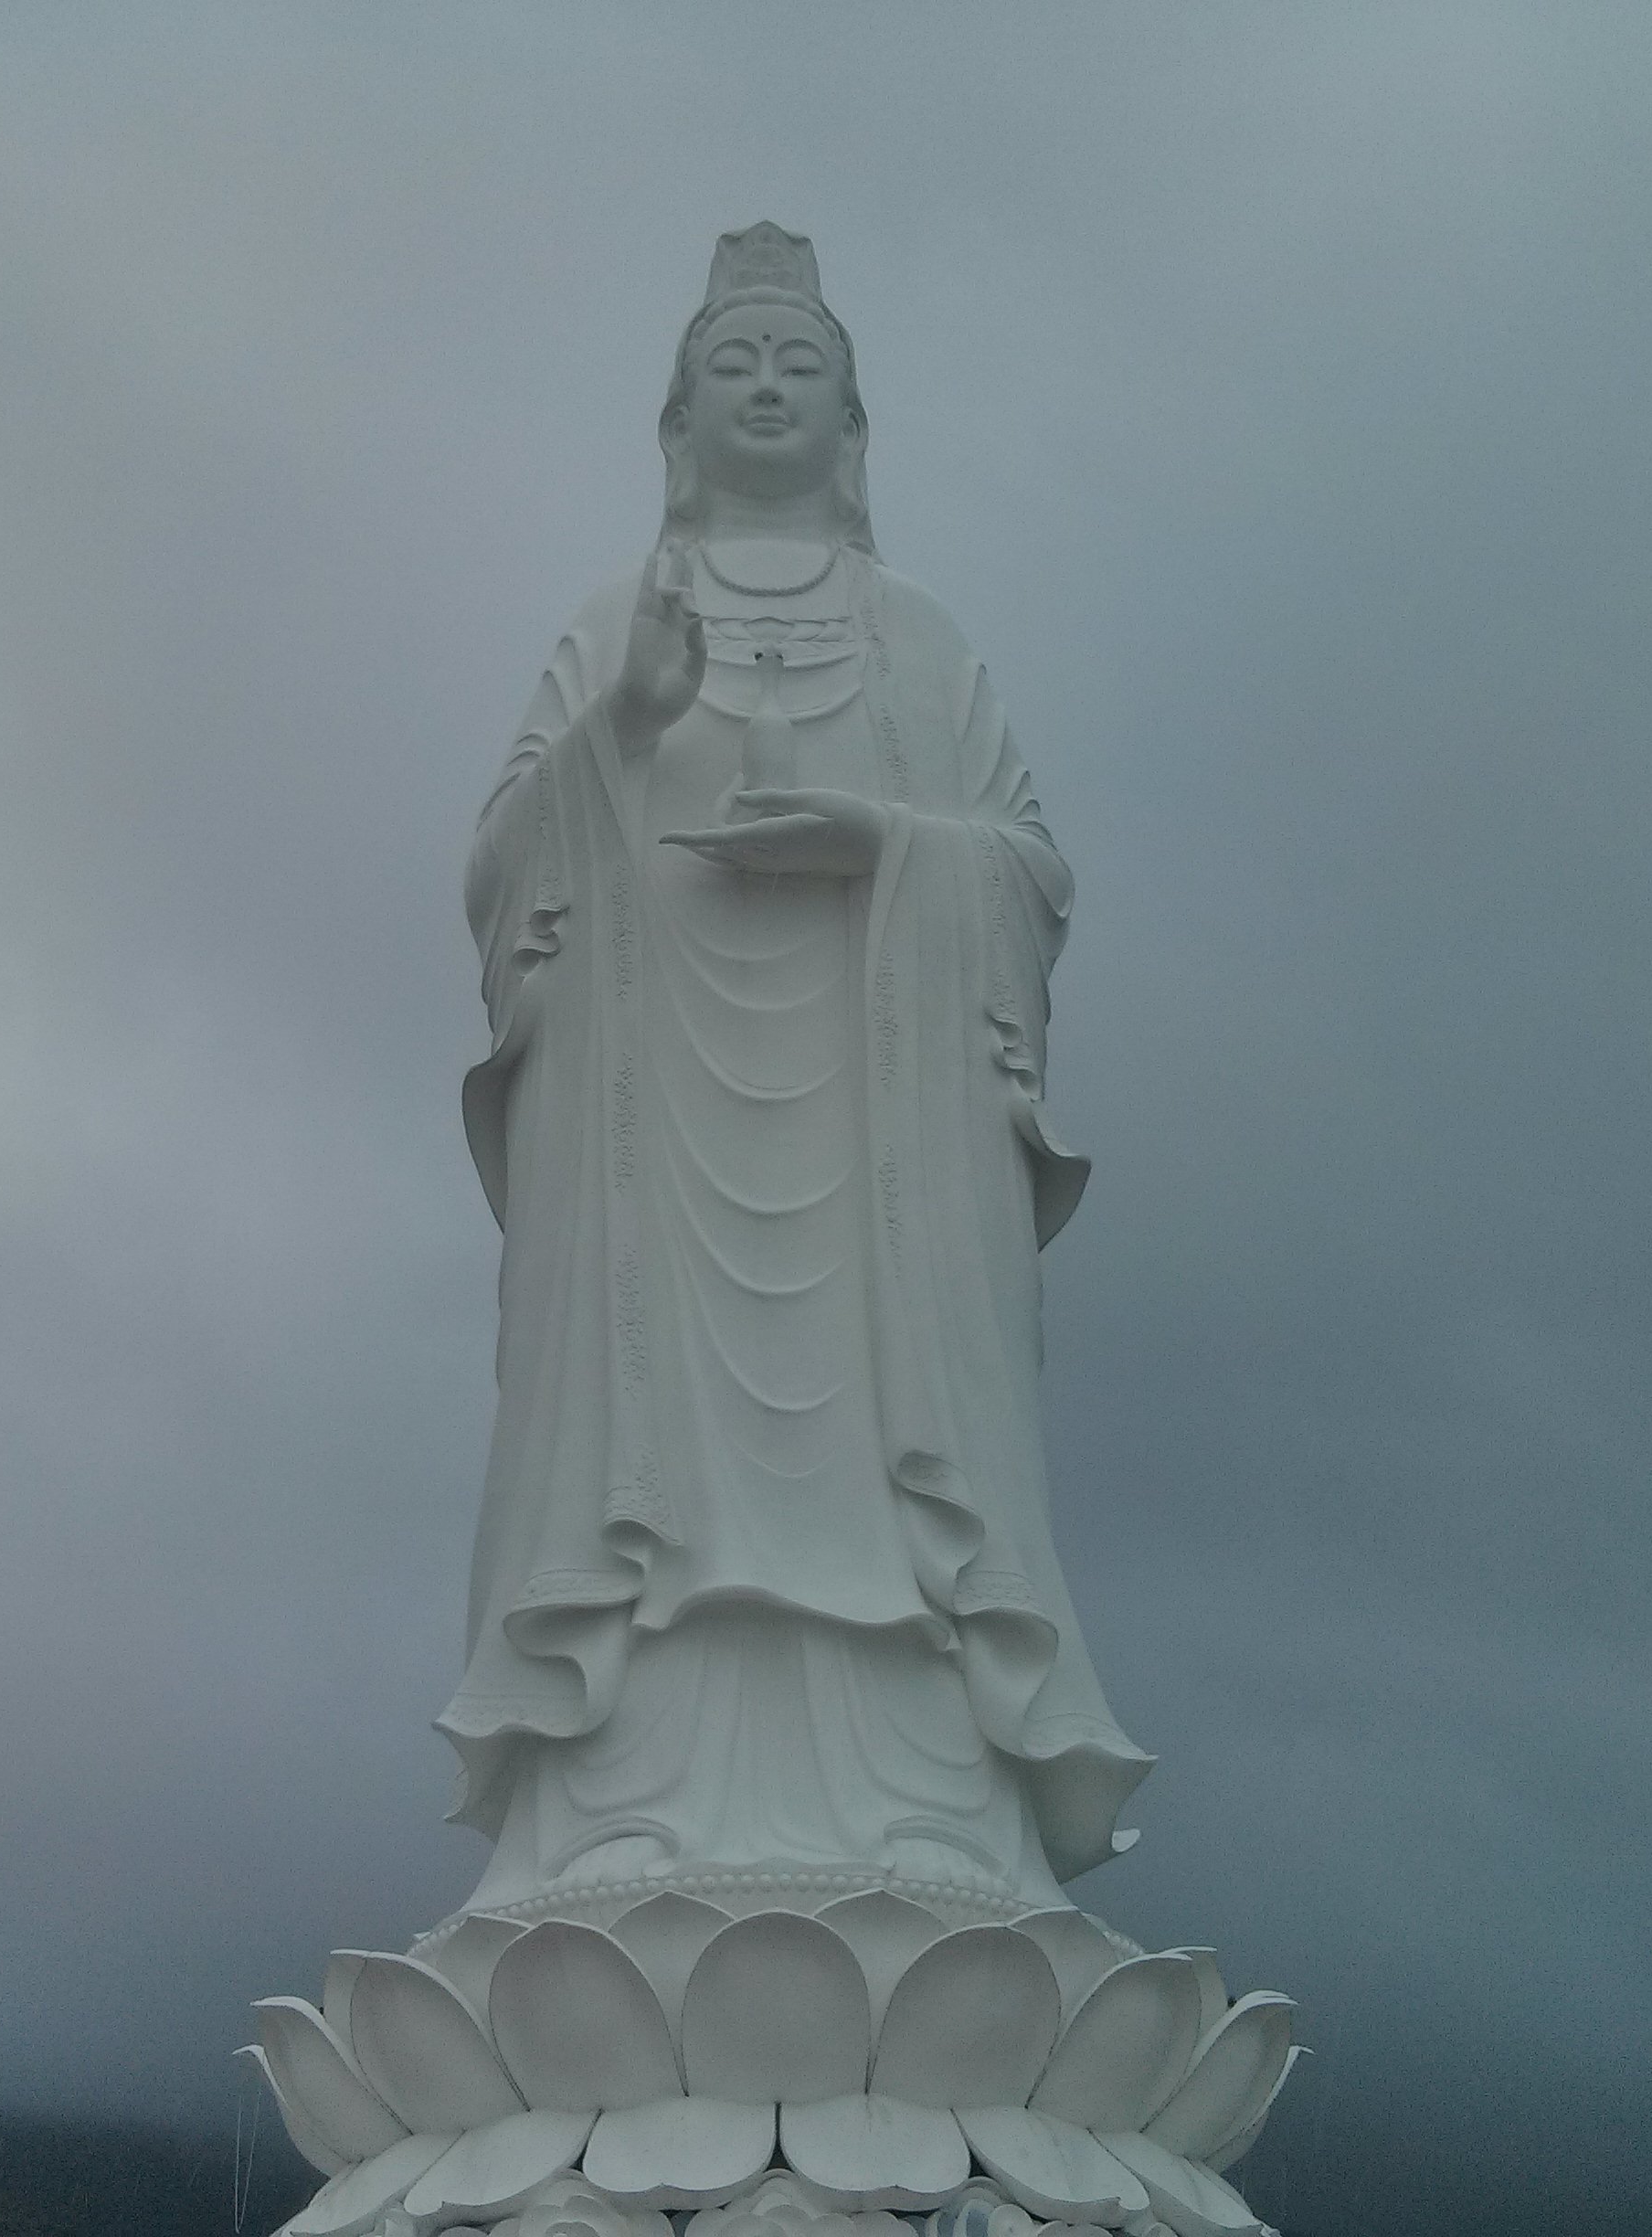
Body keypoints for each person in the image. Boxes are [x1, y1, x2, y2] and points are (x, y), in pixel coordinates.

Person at [443, 226, 1150, 1920]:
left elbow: (1033, 871)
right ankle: (624, 1807)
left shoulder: (920, 640)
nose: (767, 389)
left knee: (896, 1488)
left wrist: (884, 848)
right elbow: (498, 881)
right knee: (655, 1479)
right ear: (678, 423)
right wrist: (623, 730)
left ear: (853, 425)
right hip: (652, 1141)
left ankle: (934, 1817)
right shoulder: (611, 624)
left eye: (800, 368)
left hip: (880, 1149)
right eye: (734, 370)